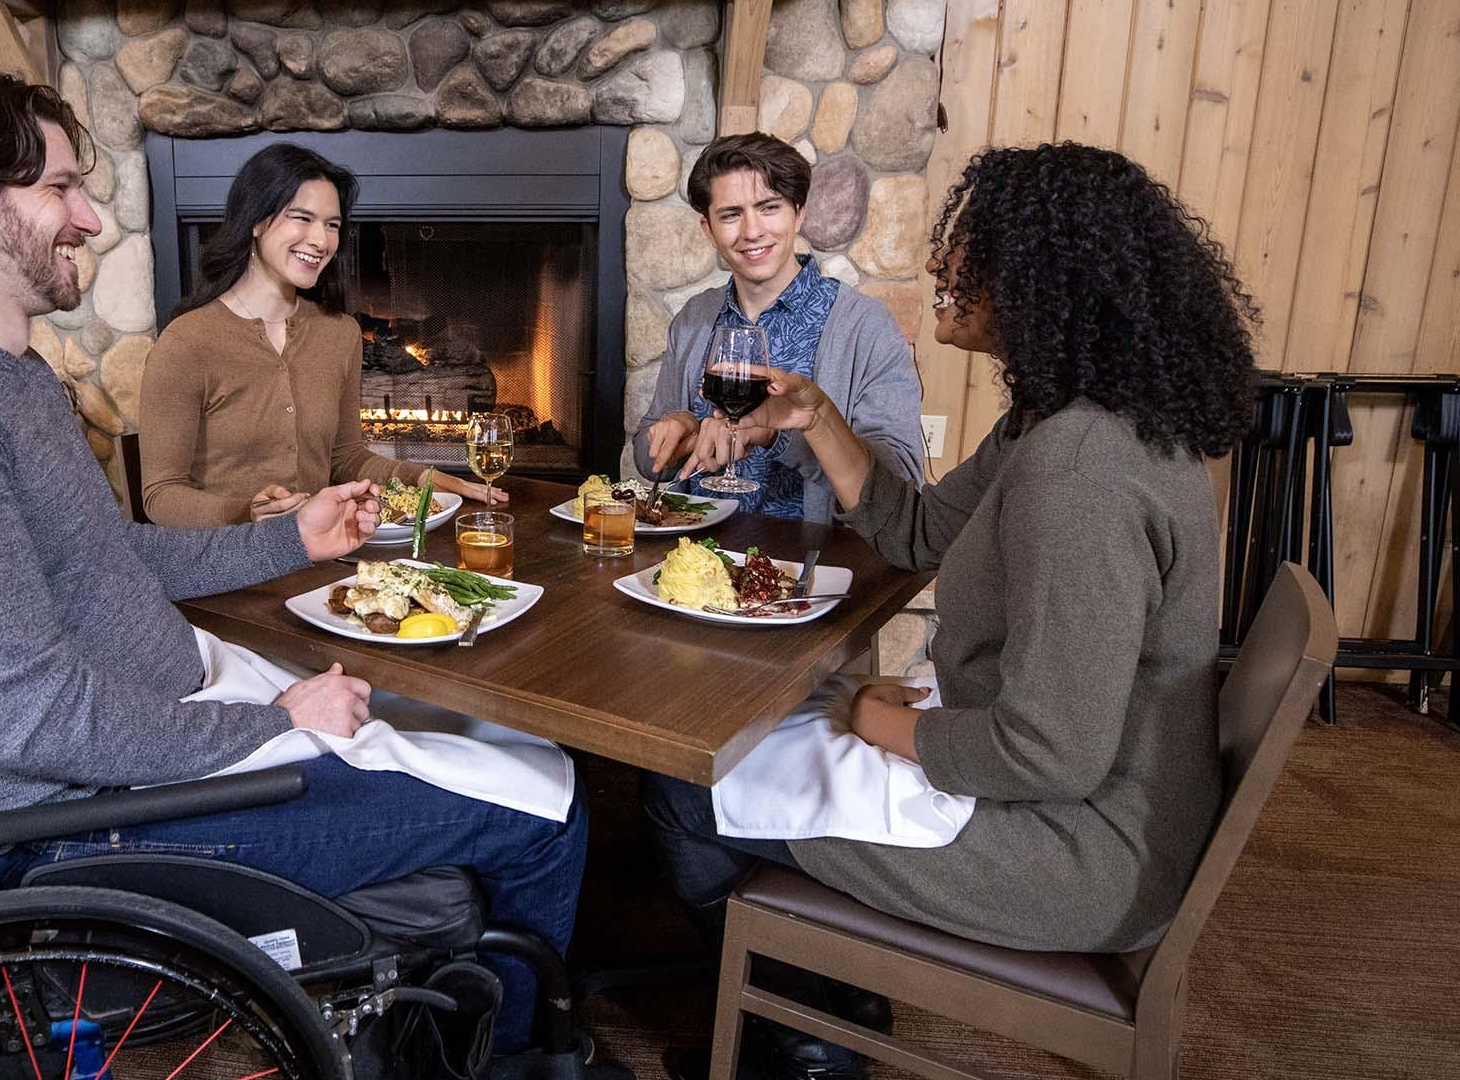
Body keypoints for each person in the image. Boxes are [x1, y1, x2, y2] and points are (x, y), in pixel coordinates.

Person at [0, 60, 583, 1053]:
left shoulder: (2, 378)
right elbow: (34, 721)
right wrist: (269, 719)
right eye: (59, 188)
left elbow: (109, 559)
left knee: (513, 741)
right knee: (546, 807)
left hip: (170, 728)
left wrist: (288, 537)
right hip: (113, 814)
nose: (90, 219)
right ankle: (510, 1060)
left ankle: (432, 1030)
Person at [645, 142, 1261, 1079]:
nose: (937, 264)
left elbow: (1050, 752)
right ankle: (830, 985)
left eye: (968, 246)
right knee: (761, 734)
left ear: (1042, 276)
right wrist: (815, 415)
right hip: (1073, 789)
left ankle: (803, 1041)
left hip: (1073, 851)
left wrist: (873, 716)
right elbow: (916, 531)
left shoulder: (1080, 470)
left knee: (686, 788)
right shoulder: (1054, 422)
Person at [137, 143, 504, 526]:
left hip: (316, 554)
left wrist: (427, 478)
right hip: (226, 565)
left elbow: (346, 458)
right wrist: (245, 513)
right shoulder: (187, 343)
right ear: (256, 221)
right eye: (302, 218)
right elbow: (161, 496)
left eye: (332, 225)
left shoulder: (340, 334)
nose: (321, 241)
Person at [632, 133, 923, 520]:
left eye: (769, 208)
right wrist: (681, 431)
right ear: (708, 230)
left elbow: (900, 481)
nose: (752, 231)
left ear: (798, 213)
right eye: (731, 214)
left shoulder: (864, 326)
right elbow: (644, 458)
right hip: (698, 560)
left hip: (813, 565)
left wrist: (776, 438)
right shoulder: (694, 319)